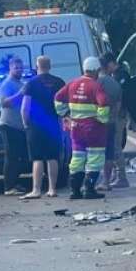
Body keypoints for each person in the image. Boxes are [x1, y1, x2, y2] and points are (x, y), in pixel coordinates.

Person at [55, 56, 110, 200]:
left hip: (76, 128)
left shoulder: (72, 83)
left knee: (77, 158)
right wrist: (102, 119)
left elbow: (58, 97)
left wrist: (65, 114)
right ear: (97, 70)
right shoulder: (95, 85)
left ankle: (75, 191)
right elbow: (103, 102)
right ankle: (89, 190)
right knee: (95, 158)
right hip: (94, 129)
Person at [20, 55, 65, 199]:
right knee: (53, 157)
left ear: (37, 66)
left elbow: (25, 108)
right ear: (50, 66)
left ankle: (36, 190)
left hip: (36, 125)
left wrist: (26, 123)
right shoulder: (59, 82)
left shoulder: (31, 83)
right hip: (53, 124)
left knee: (37, 158)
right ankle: (52, 189)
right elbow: (64, 105)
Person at [0, 56, 29, 195]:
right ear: (10, 68)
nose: (19, 70)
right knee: (11, 157)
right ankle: (8, 187)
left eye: (21, 67)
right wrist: (19, 94)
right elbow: (4, 103)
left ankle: (15, 183)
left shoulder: (20, 82)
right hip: (9, 125)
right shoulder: (7, 84)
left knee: (19, 157)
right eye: (16, 68)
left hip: (19, 126)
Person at [98, 53, 125, 191]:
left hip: (99, 122)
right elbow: (118, 104)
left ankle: (120, 177)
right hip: (113, 119)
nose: (116, 66)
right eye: (114, 63)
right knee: (113, 148)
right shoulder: (114, 83)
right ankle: (115, 177)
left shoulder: (98, 82)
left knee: (109, 150)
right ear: (108, 64)